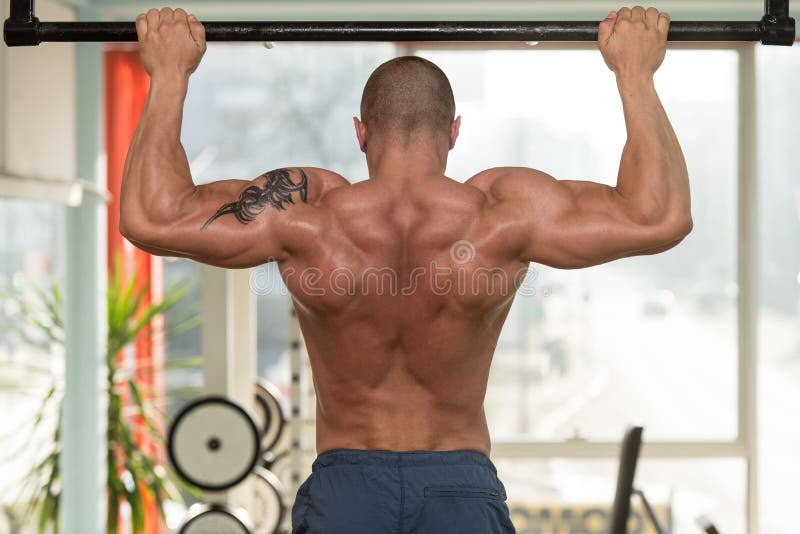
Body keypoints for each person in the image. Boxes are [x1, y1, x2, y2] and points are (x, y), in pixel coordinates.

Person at [121, 6, 691, 533]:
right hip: (458, 490)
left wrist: (170, 76)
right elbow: (657, 218)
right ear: (453, 132)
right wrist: (635, 75)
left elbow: (152, 216)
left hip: (347, 490)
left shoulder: (310, 214)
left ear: (360, 132)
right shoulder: (500, 215)